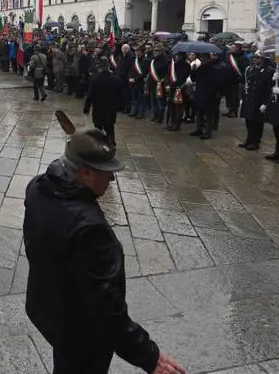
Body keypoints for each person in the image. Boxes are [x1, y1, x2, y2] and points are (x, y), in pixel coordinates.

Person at [23, 126, 185, 374]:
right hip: (82, 332)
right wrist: (150, 357)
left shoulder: (36, 189)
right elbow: (107, 309)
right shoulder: (90, 230)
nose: (112, 179)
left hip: (48, 310)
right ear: (85, 173)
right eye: (106, 173)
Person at [238, 53, 274, 151]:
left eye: (258, 58)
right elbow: (246, 84)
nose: (256, 59)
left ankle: (255, 142)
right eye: (255, 57)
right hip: (249, 98)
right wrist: (242, 97)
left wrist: (266, 103)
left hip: (259, 99)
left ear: (263, 59)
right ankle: (248, 140)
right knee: (248, 121)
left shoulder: (268, 71)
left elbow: (269, 89)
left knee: (257, 122)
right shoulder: (249, 69)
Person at [84, 57, 120, 145]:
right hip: (111, 109)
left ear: (99, 67)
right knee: (110, 128)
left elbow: (90, 95)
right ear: (108, 66)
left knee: (98, 128)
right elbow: (119, 95)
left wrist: (87, 108)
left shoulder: (96, 79)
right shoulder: (115, 79)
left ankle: (99, 144)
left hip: (98, 109)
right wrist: (118, 107)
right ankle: (111, 143)